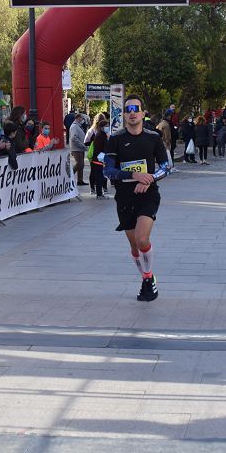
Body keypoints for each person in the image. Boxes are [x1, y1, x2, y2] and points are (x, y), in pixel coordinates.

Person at [103, 94, 170, 302]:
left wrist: (148, 180)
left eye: (135, 109)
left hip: (148, 195)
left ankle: (148, 280)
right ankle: (146, 276)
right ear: (123, 115)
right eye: (128, 110)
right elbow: (108, 170)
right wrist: (134, 175)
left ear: (142, 113)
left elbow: (167, 167)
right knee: (134, 247)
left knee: (142, 240)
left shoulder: (153, 138)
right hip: (124, 198)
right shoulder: (115, 140)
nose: (132, 113)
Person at [89, 117, 109, 198]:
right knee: (99, 177)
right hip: (98, 159)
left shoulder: (102, 135)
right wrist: (103, 159)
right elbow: (99, 149)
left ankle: (100, 193)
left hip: (100, 159)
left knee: (100, 176)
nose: (108, 128)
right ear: (102, 127)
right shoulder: (100, 136)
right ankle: (99, 194)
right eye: (106, 126)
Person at [69, 113, 89, 186]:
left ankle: (80, 180)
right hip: (76, 148)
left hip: (80, 148)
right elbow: (74, 138)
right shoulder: (74, 126)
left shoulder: (78, 126)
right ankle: (69, 176)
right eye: (82, 118)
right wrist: (82, 145)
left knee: (82, 165)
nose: (83, 120)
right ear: (78, 118)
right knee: (79, 164)